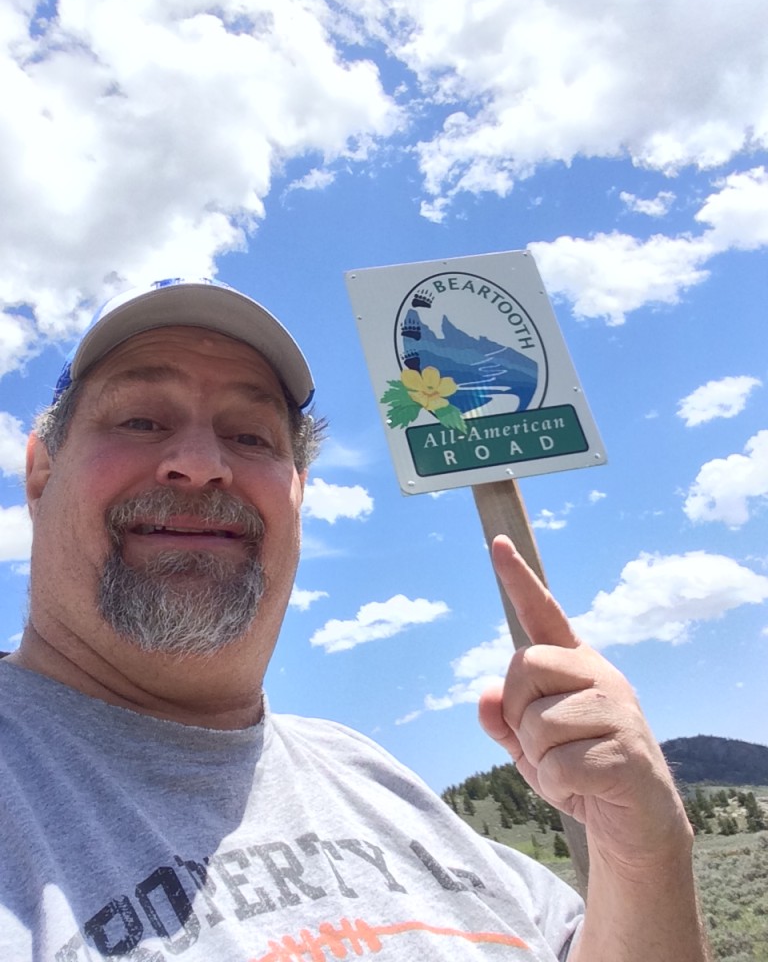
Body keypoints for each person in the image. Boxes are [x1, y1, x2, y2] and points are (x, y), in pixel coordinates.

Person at [0, 277, 708, 961]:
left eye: (251, 436)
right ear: (41, 474)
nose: (200, 463)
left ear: (297, 493)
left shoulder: (370, 776)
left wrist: (644, 856)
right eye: (141, 421)